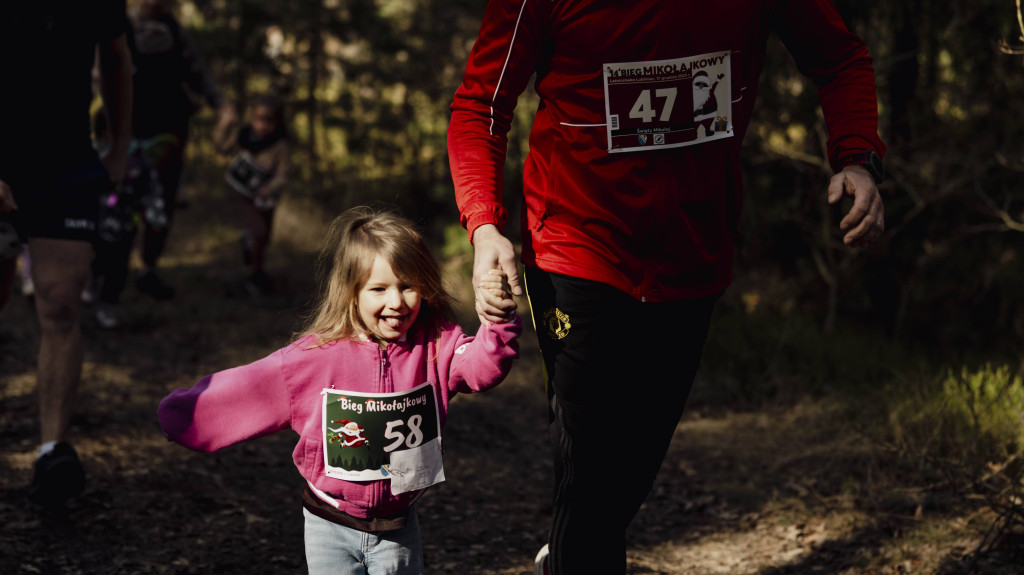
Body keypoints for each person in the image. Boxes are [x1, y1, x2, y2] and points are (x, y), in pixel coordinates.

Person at [447, 2, 886, 573]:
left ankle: (574, 549)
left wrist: (857, 157)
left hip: (692, 254)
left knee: (632, 461)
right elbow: (481, 104)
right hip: (577, 248)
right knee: (592, 459)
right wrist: (484, 225)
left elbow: (840, 57)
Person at [158, 207, 521, 574]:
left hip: (399, 526)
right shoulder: (315, 358)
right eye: (379, 289)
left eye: (407, 286)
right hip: (329, 524)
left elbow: (482, 369)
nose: (396, 302)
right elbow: (250, 389)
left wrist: (498, 322)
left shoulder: (437, 345)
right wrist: (187, 417)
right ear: (352, 293)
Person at [0, 1, 133, 510]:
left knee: (60, 304)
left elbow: (118, 61)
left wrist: (119, 148)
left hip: (67, 166)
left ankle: (52, 451)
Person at [129, 0, 236, 299]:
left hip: (171, 130)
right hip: (130, 133)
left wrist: (221, 104)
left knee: (162, 200)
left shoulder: (175, 30)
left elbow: (197, 71)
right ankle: (108, 270)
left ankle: (148, 268)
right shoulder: (122, 27)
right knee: (125, 201)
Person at [213, 94, 291, 296]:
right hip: (244, 195)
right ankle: (256, 275)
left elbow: (283, 174)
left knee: (264, 236)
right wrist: (224, 124)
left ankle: (254, 255)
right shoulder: (243, 136)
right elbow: (221, 147)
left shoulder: (279, 145)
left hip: (266, 198)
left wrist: (270, 188)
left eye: (268, 120)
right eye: (258, 119)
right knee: (257, 232)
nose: (262, 125)